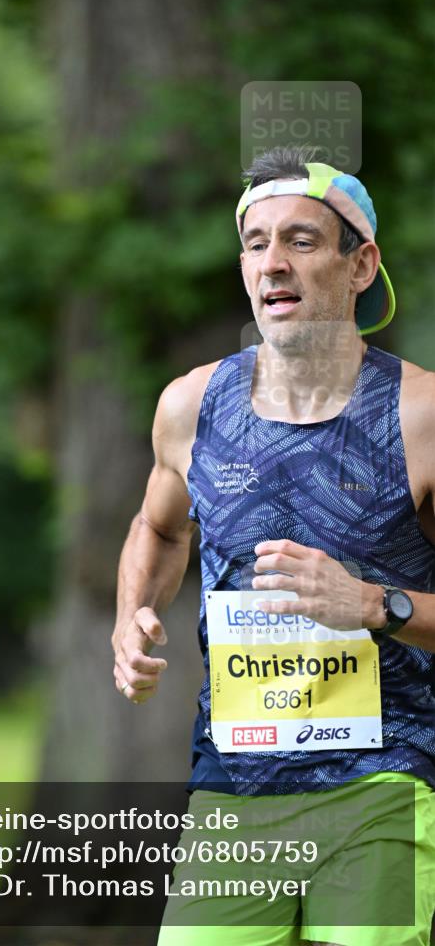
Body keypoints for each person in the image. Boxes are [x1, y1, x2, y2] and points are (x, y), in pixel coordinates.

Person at [112, 147, 435, 946]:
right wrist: (131, 618)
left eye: (299, 240)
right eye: (256, 243)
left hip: (384, 775)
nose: (272, 264)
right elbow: (158, 526)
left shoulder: (420, 416)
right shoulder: (192, 406)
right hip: (235, 778)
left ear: (360, 265)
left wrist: (369, 604)